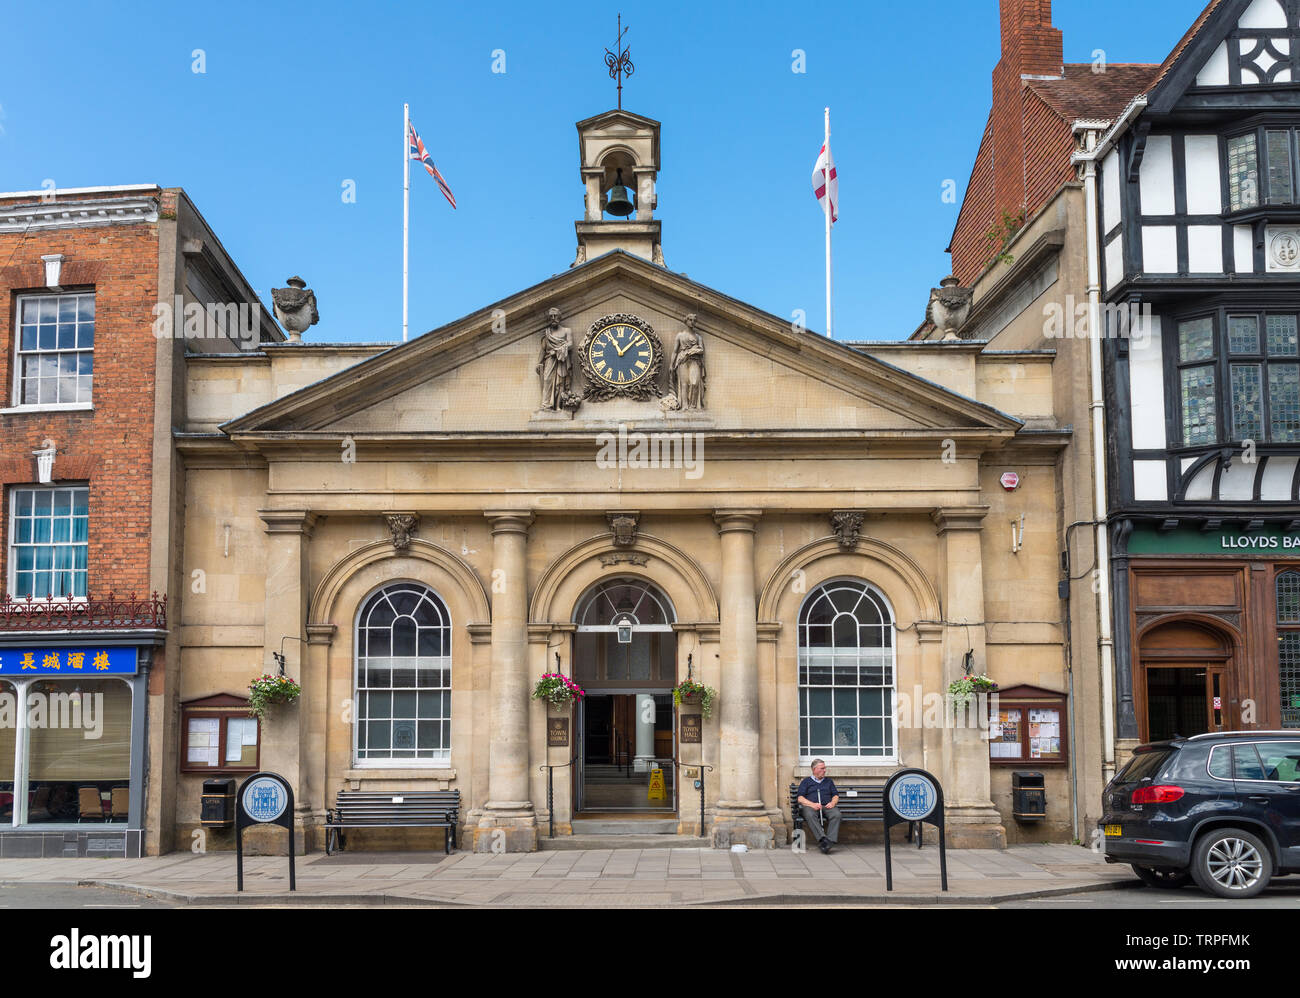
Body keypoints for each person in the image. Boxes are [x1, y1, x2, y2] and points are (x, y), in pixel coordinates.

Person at [796, 759, 841, 853]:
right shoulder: (806, 781)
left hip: (826, 805)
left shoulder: (829, 781)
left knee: (836, 814)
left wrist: (832, 803)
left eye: (825, 768)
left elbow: (835, 795)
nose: (824, 770)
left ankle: (830, 841)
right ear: (814, 769)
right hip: (811, 806)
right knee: (809, 814)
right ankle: (823, 839)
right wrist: (812, 804)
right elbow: (800, 798)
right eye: (822, 768)